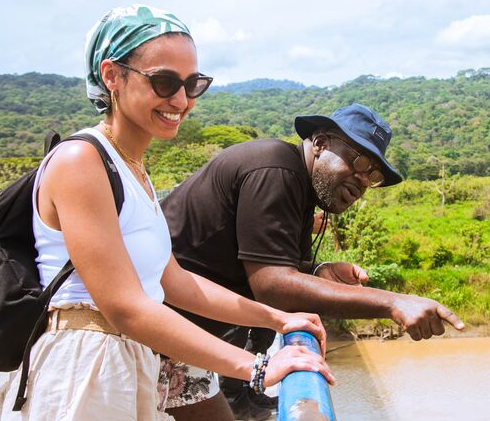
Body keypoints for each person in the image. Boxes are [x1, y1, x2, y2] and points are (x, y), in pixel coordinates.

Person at [1, 4, 333, 421]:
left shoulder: (133, 167)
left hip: (129, 362)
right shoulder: (79, 161)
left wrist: (277, 317)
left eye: (193, 84)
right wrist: (257, 367)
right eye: (163, 82)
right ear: (112, 76)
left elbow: (173, 281)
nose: (181, 99)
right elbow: (125, 306)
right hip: (86, 369)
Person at [161, 103, 465, 419]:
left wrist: (319, 271)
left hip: (182, 337)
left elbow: (272, 262)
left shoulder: (303, 188)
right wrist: (393, 303)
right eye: (359, 161)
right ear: (320, 143)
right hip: (140, 330)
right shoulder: (276, 170)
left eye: (372, 175)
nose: (362, 180)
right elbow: (273, 285)